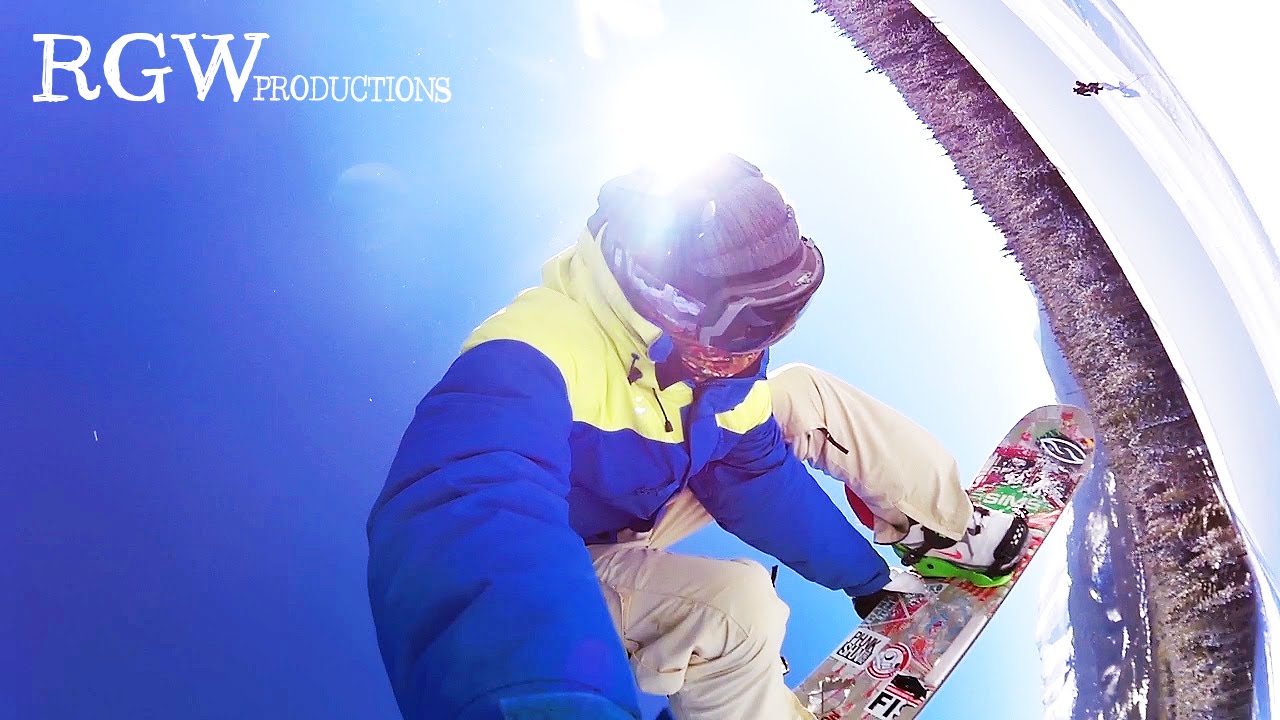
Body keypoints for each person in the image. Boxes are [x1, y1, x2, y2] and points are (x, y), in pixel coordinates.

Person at [366, 153, 899, 720]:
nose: (755, 349)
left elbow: (756, 480)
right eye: (748, 324)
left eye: (781, 319)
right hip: (569, 552)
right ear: (669, 302)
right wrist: (546, 702)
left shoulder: (718, 370)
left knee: (802, 392)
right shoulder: (534, 349)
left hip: (642, 507)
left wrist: (866, 579)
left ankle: (939, 533)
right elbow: (467, 510)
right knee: (737, 612)